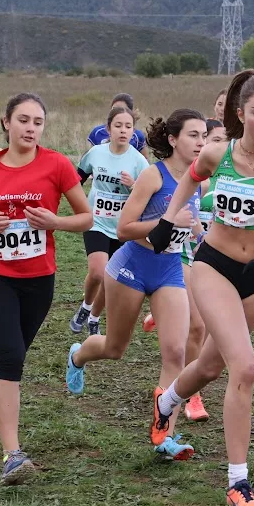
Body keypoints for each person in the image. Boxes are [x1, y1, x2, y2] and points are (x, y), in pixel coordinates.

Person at [145, 69, 254, 506]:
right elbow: (188, 179)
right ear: (241, 114)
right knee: (246, 366)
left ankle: (167, 400)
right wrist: (168, 219)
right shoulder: (218, 153)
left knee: (214, 364)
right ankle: (239, 481)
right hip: (212, 265)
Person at [0, 93, 93, 484]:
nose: (31, 128)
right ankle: (12, 456)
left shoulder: (57, 165)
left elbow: (85, 217)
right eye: (24, 120)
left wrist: (54, 221)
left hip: (38, 279)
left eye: (38, 122)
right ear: (7, 125)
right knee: (13, 356)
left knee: (10, 357)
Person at [66, 109, 208, 460]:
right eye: (193, 135)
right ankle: (78, 354)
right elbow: (124, 228)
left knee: (175, 352)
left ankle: (166, 436)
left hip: (170, 268)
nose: (201, 142)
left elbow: (191, 226)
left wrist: (200, 233)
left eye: (204, 135)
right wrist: (167, 219)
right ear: (173, 140)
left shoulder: (199, 180)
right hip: (131, 265)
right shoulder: (152, 176)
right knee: (115, 348)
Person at [142, 117, 226, 423]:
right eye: (207, 139)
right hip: (181, 258)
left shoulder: (233, 178)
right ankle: (191, 393)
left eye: (215, 140)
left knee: (200, 325)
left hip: (209, 257)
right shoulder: (193, 177)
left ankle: (160, 311)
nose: (208, 146)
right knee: (197, 328)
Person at [69, 105, 150, 336]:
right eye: (118, 126)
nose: (123, 131)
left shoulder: (138, 162)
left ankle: (93, 317)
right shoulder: (96, 153)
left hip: (123, 228)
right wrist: (76, 205)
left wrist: (133, 185)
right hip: (96, 222)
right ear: (108, 129)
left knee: (110, 277)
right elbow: (77, 179)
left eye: (128, 127)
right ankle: (86, 307)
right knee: (97, 272)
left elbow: (149, 197)